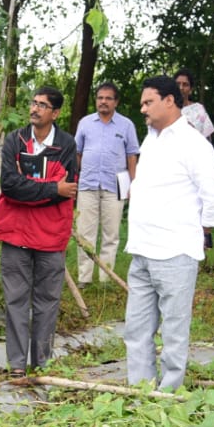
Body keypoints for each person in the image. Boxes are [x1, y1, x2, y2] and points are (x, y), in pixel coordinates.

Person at [124, 76, 214, 389]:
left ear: (169, 100)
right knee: (136, 328)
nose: (143, 109)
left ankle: (168, 394)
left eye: (148, 102)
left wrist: (201, 234)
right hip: (141, 248)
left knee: (173, 331)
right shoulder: (151, 138)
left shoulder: (192, 143)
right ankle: (140, 390)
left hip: (174, 251)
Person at [0, 85, 79, 377]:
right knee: (16, 300)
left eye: (42, 105)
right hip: (16, 232)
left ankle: (41, 364)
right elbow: (10, 186)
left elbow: (68, 189)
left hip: (51, 234)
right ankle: (17, 366)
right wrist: (52, 187)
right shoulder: (14, 140)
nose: (35, 108)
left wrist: (40, 189)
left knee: (47, 301)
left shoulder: (67, 144)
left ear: (55, 113)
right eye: (33, 102)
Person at [73, 81, 139, 284]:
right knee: (85, 233)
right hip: (87, 184)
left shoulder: (126, 125)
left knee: (111, 234)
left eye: (108, 98)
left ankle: (105, 279)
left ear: (116, 102)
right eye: (100, 98)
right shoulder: (85, 122)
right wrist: (78, 175)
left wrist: (133, 184)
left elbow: (131, 156)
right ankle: (84, 278)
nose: (103, 102)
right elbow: (77, 152)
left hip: (116, 184)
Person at [175, 69, 214, 140]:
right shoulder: (165, 109)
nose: (181, 88)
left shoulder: (198, 109)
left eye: (185, 84)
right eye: (178, 84)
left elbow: (207, 138)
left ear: (190, 90)